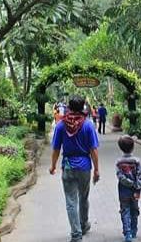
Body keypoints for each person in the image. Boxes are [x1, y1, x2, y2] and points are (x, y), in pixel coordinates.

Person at [49, 95, 100, 242]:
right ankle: (83, 225)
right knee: (83, 197)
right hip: (84, 166)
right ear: (83, 107)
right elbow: (93, 150)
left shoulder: (61, 125)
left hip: (68, 166)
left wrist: (53, 166)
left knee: (71, 201)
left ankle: (76, 235)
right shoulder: (88, 124)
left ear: (69, 108)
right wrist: (96, 169)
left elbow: (56, 149)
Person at [116, 135, 141, 242]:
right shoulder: (136, 161)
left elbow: (120, 176)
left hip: (123, 191)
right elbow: (140, 176)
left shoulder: (119, 162)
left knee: (125, 210)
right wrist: (137, 187)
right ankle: (133, 231)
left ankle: (127, 233)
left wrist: (128, 183)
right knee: (134, 210)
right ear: (133, 148)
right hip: (134, 191)